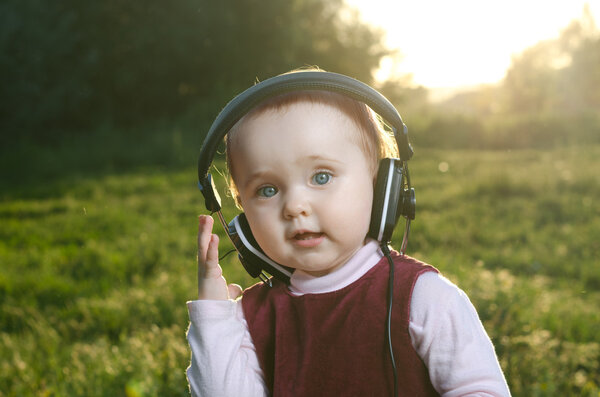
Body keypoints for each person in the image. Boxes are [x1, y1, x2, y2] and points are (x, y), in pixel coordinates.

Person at [186, 72, 511, 396]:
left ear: (382, 188)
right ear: (242, 215)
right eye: (267, 189)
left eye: (322, 177)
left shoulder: (423, 298)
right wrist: (214, 319)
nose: (295, 206)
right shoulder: (251, 317)